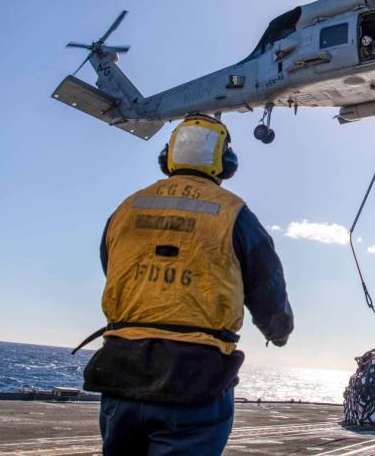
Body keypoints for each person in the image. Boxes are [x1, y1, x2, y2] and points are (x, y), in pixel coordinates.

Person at [76, 114, 294, 455]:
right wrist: (277, 330)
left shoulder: (127, 208)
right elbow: (267, 282)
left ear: (168, 156)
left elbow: (114, 265)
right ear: (225, 162)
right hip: (195, 378)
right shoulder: (234, 213)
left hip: (122, 371)